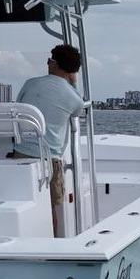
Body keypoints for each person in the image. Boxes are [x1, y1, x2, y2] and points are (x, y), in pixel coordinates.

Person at [13, 44, 85, 234]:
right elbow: (79, 109)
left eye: (49, 60)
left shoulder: (30, 84)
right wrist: (73, 81)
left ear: (55, 63)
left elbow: (19, 107)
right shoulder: (73, 97)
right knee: (52, 208)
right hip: (50, 161)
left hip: (21, 155)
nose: (47, 63)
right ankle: (52, 240)